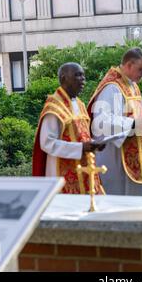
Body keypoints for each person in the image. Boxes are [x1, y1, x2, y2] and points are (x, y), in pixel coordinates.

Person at [88, 48, 142, 196]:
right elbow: (101, 122)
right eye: (141, 70)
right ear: (129, 65)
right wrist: (133, 124)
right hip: (116, 157)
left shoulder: (133, 86)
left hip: (134, 151)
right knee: (120, 200)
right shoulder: (112, 87)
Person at [32, 62, 106, 194]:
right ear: (63, 78)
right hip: (61, 171)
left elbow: (83, 135)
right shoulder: (54, 107)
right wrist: (80, 148)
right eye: (77, 75)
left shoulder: (80, 104)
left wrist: (93, 145)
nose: (83, 79)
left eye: (83, 76)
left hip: (84, 167)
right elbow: (47, 143)